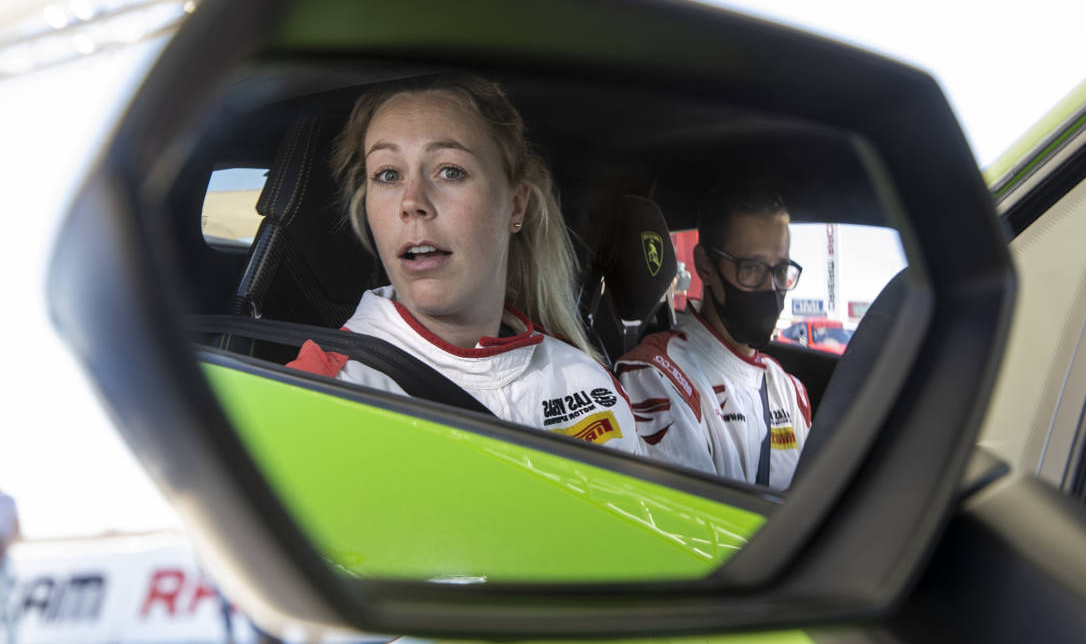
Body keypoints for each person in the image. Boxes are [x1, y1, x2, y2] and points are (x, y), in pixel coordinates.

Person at [288, 74, 642, 455]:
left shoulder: (587, 383)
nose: (412, 201)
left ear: (516, 205)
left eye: (449, 170)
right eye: (388, 175)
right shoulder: (322, 392)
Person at [615, 187, 812, 489]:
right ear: (706, 265)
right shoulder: (658, 375)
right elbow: (691, 525)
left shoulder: (787, 389)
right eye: (752, 268)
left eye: (781, 269)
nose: (770, 287)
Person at [0, 489, 19, 644]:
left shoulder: (7, 500)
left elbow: (15, 528)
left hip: (4, 561)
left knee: (8, 607)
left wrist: (3, 546)